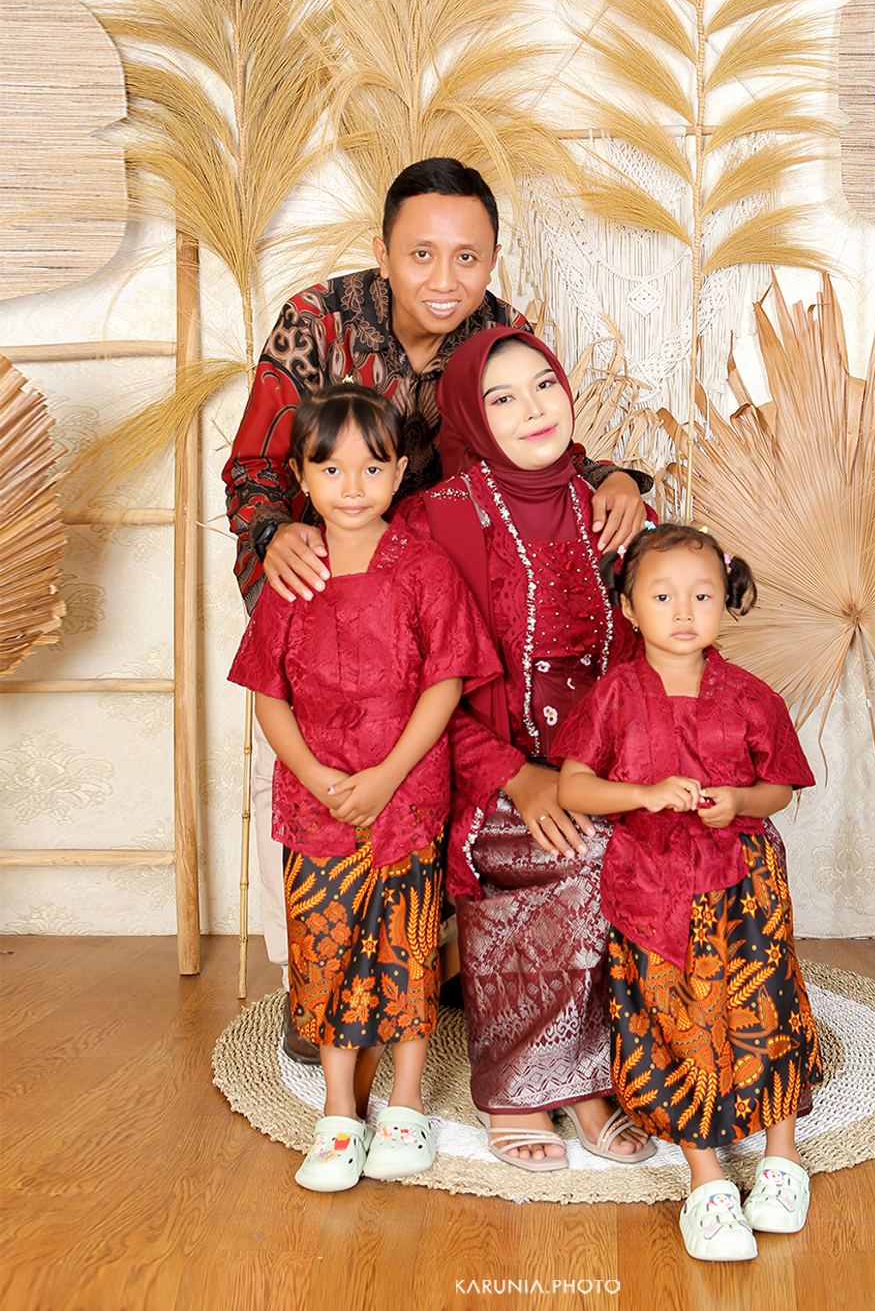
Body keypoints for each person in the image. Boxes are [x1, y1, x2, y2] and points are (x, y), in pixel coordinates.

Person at [224, 158, 651, 1060]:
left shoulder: (500, 333)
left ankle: (436, 962)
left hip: (440, 584)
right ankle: (316, 979)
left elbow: (535, 441)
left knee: (431, 764)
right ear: (384, 252)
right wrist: (273, 535)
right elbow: (255, 467)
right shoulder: (315, 323)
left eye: (468, 256)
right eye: (421, 254)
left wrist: (615, 475)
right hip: (321, 578)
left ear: (492, 258)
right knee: (313, 776)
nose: (445, 278)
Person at [228, 386, 502, 1192]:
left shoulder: (423, 567)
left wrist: (386, 776)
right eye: (331, 469)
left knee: (406, 949)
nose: (353, 487)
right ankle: (338, 1112)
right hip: (315, 804)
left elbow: (445, 682)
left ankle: (407, 1105)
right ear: (301, 478)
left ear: (400, 470)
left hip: (405, 795)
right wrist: (315, 774)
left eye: (373, 468)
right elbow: (268, 694)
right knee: (326, 949)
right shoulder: (293, 573)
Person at [397, 328, 656, 1169]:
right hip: (487, 771)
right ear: (472, 417)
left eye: (544, 385)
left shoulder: (615, 509)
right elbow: (415, 687)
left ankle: (622, 1071)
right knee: (569, 847)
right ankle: (536, 1087)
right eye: (501, 398)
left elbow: (659, 651)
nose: (533, 409)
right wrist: (517, 776)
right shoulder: (435, 520)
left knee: (675, 840)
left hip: (608, 768)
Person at [554, 524, 822, 1259]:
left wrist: (740, 801)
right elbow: (575, 786)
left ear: (726, 601)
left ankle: (782, 1158)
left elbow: (780, 788)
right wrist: (641, 792)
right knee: (671, 1014)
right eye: (663, 596)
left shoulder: (751, 695)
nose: (683, 611)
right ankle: (706, 1179)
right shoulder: (615, 695)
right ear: (629, 607)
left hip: (744, 881)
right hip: (651, 884)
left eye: (702, 596)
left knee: (763, 1002)